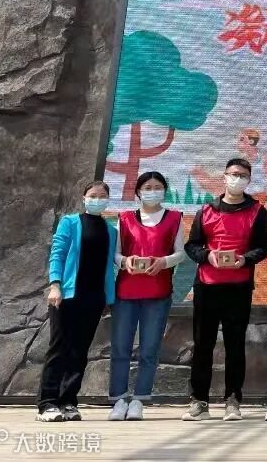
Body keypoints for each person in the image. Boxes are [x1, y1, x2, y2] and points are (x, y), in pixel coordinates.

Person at [182, 158, 267, 421]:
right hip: (207, 286)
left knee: (235, 345)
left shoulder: (257, 211)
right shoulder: (207, 210)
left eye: (242, 175)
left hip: (238, 287)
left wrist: (245, 259)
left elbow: (262, 248)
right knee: (203, 344)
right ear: (224, 176)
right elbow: (192, 246)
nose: (237, 179)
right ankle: (199, 401)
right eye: (233, 174)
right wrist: (207, 256)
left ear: (249, 180)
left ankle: (233, 400)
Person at [38, 181, 118, 422]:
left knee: (80, 351)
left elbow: (109, 264)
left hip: (94, 297)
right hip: (67, 295)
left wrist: (108, 296)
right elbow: (58, 253)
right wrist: (55, 285)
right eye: (93, 195)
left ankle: (68, 401)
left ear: (108, 200)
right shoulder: (70, 222)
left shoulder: (111, 230)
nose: (97, 199)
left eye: (102, 196)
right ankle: (47, 403)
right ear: (84, 198)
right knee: (59, 348)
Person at [108, 171, 185, 421]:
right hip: (126, 291)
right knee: (121, 347)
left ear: (165, 191)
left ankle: (140, 399)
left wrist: (163, 262)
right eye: (148, 187)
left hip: (158, 292)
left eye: (158, 187)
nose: (153, 191)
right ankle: (118, 399)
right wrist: (126, 261)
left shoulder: (174, 218)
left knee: (149, 349)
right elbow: (116, 253)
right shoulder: (125, 218)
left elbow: (180, 252)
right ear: (138, 192)